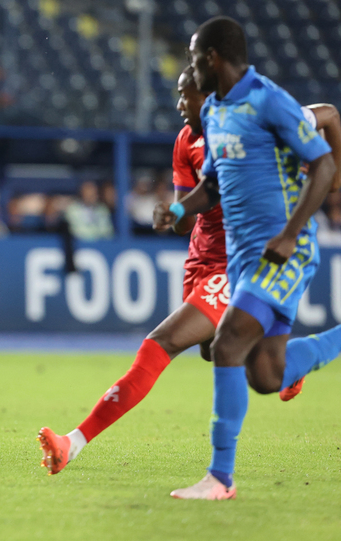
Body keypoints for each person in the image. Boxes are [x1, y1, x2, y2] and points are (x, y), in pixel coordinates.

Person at [38, 65, 341, 481]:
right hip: (201, 259)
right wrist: (175, 212)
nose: (180, 104)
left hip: (238, 259)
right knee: (237, 360)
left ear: (211, 94)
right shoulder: (187, 140)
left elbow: (327, 114)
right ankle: (290, 364)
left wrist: (334, 174)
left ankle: (73, 442)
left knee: (162, 343)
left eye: (187, 95)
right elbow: (189, 211)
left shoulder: (256, 120)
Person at [164, 16, 340, 499]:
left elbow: (323, 162)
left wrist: (291, 233)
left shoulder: (269, 100)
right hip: (244, 256)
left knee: (226, 344)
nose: (190, 69)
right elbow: (214, 186)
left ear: (212, 59)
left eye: (194, 58)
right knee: (267, 375)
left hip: (285, 251)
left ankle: (220, 478)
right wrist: (179, 208)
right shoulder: (217, 111)